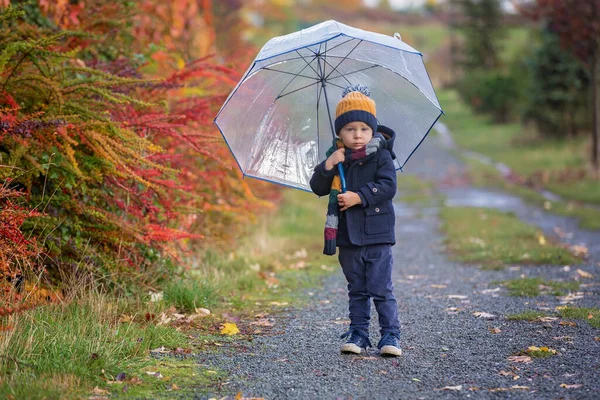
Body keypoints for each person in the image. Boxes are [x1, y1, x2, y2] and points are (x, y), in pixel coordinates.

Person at [310, 84, 401, 357]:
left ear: (372, 130)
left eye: (363, 128)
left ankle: (390, 335)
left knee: (381, 287)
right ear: (340, 132)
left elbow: (388, 187)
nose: (357, 135)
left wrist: (359, 196)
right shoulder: (336, 157)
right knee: (357, 288)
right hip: (348, 237)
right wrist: (328, 166)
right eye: (350, 129)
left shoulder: (382, 155)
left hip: (377, 234)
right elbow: (317, 187)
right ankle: (359, 333)